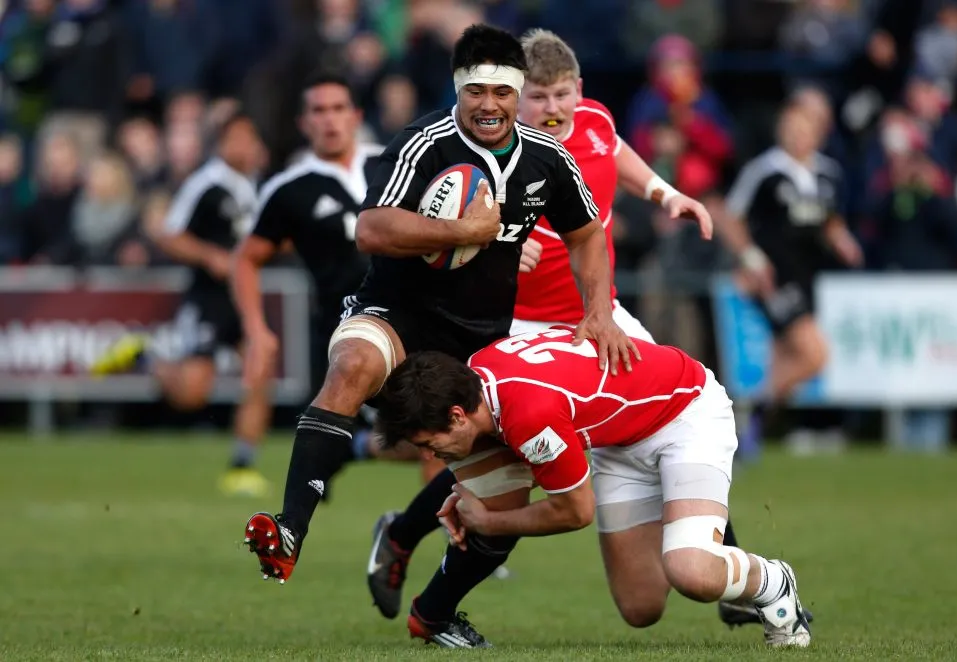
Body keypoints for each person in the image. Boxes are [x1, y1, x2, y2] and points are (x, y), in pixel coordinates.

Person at [366, 27, 769, 631]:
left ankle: (724, 571)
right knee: (490, 453)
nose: (554, 109)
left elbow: (616, 153)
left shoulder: (594, 122)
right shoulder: (503, 157)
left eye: (563, 95)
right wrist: (504, 249)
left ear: (578, 91)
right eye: (540, 98)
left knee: (668, 405)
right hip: (520, 321)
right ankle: (403, 538)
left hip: (592, 313)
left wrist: (663, 192)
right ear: (514, 96)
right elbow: (457, 223)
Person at [241, 24, 636, 638]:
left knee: (502, 503)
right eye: (475, 90)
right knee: (352, 367)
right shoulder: (423, 145)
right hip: (396, 314)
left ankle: (435, 612)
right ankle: (291, 527)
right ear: (458, 89)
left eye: (502, 92)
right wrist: (463, 232)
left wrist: (600, 311)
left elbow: (587, 236)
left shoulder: (547, 158)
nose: (489, 104)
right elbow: (370, 229)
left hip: (478, 351)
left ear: (517, 92)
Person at [373, 328, 812, 649]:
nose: (431, 457)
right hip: (619, 442)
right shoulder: (475, 380)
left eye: (431, 445)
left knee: (691, 573)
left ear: (456, 416)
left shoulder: (530, 414)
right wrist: (468, 490)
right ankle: (688, 527)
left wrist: (488, 518)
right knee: (641, 609)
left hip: (686, 414)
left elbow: (574, 512)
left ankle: (773, 581)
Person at [230, 70, 433, 478]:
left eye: (338, 108)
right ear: (305, 123)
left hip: (415, 319)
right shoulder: (290, 189)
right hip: (342, 332)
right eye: (318, 111)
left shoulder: (395, 162)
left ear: (356, 115)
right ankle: (349, 450)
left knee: (438, 433)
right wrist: (257, 331)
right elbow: (245, 259)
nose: (329, 119)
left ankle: (364, 460)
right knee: (422, 436)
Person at [91, 112, 270, 496]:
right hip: (209, 298)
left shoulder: (255, 184)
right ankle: (144, 355)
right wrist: (210, 256)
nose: (244, 147)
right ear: (221, 144)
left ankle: (242, 465)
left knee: (262, 366)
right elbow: (167, 233)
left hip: (244, 296)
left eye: (249, 139)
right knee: (192, 394)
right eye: (236, 139)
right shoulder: (205, 183)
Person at [717, 100, 862, 451]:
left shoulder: (828, 173)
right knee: (815, 355)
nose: (798, 137)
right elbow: (729, 217)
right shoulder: (765, 171)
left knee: (785, 358)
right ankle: (747, 413)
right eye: (791, 130)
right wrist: (751, 258)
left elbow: (828, 218)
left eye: (805, 130)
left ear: (818, 134)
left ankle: (746, 432)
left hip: (810, 277)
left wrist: (841, 239)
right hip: (775, 279)